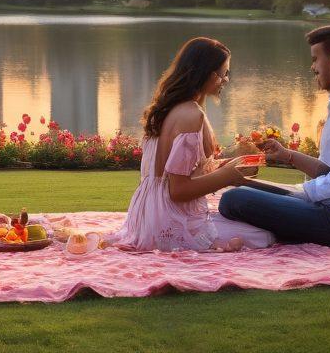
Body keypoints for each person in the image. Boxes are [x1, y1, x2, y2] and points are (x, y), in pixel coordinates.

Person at [218, 25, 330, 248]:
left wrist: (298, 193)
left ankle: (267, 231)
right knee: (242, 187)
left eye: (315, 60)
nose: (312, 67)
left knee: (234, 200)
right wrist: (288, 156)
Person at [110, 37, 275, 252]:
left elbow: (180, 172)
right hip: (169, 218)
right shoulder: (191, 115)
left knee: (251, 227)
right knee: (264, 236)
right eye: (223, 73)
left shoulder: (172, 107)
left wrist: (225, 167)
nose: (225, 80)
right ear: (206, 73)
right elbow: (178, 190)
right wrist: (226, 177)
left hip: (149, 214)